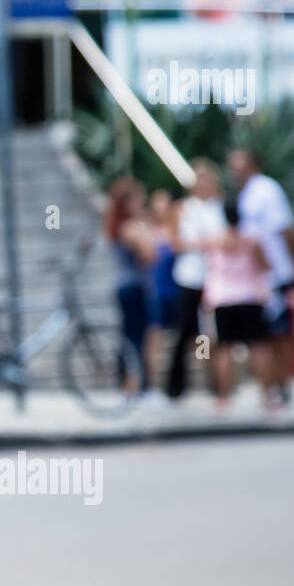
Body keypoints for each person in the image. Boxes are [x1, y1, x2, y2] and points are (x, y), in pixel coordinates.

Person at [227, 147, 294, 405]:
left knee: (278, 332)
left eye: (240, 161)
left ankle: (283, 384)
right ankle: (270, 386)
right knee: (264, 335)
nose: (235, 167)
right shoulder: (245, 194)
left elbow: (285, 227)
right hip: (253, 278)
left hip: (275, 273)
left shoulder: (267, 190)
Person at [202, 198, 277, 412]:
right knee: (259, 346)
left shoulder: (215, 240)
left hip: (223, 297)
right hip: (250, 296)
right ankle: (266, 396)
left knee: (224, 347)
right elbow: (266, 266)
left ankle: (224, 397)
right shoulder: (252, 240)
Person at [166, 158, 226, 399]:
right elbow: (174, 242)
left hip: (216, 278)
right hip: (189, 277)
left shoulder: (219, 207)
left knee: (211, 333)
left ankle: (217, 383)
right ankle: (177, 386)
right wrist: (203, 243)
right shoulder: (183, 208)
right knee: (186, 332)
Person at [105, 176, 157, 396]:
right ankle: (135, 386)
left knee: (131, 336)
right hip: (135, 287)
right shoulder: (131, 228)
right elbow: (151, 255)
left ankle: (131, 384)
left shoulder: (117, 227)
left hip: (126, 286)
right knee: (137, 339)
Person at [143, 189, 179, 405]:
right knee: (153, 341)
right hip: (156, 292)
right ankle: (153, 386)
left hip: (177, 291)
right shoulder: (148, 232)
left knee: (197, 339)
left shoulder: (178, 232)